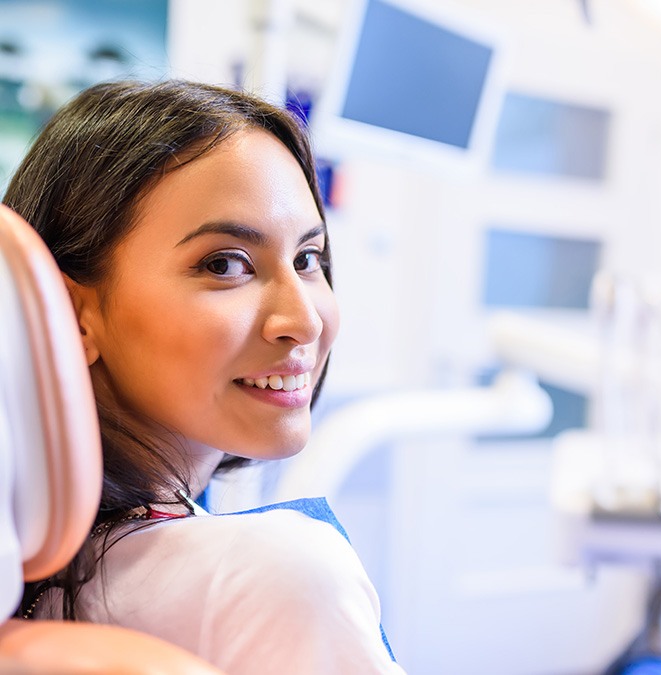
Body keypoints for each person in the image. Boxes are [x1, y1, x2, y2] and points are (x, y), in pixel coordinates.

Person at [5, 80, 405, 674]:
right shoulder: (277, 578)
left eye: (307, 260)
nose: (301, 320)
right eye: (225, 264)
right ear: (71, 313)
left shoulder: (44, 588)